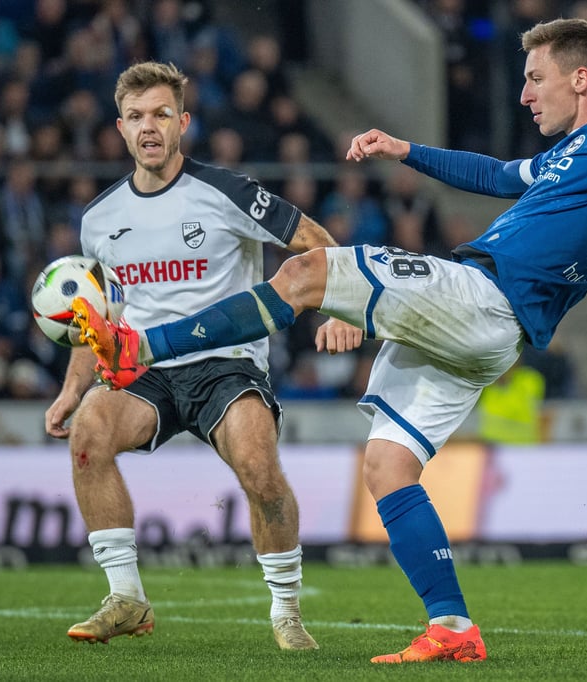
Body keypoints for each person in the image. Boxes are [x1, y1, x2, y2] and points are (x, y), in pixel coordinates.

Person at [72, 19, 587, 663]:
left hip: (481, 296)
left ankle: (145, 347)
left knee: (305, 271)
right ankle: (451, 626)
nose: (525, 94)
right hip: (486, 335)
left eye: (536, 79)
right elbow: (499, 177)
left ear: (582, 79)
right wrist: (404, 151)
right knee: (387, 468)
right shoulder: (568, 153)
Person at [43, 60, 356, 648]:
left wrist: (339, 308)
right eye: (136, 117)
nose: (149, 127)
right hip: (144, 368)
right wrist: (71, 388)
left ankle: (287, 611)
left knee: (260, 469)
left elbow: (316, 241)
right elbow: (97, 320)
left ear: (183, 122)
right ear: (120, 129)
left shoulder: (228, 192)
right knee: (89, 430)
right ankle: (127, 599)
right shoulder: (99, 220)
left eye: (161, 114)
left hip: (228, 363)